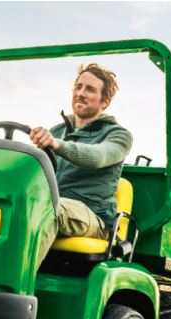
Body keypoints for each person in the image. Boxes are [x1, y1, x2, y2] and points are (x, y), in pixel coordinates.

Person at [29, 63, 133, 265]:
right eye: (78, 87)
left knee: (50, 208)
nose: (81, 93)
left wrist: (55, 144)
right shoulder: (57, 131)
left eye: (90, 89)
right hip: (54, 204)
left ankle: (15, 287)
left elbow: (97, 157)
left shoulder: (118, 135)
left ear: (105, 101)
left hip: (93, 216)